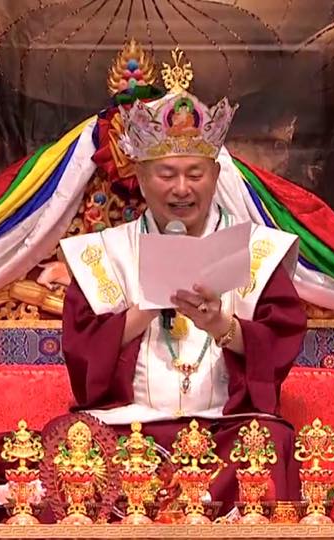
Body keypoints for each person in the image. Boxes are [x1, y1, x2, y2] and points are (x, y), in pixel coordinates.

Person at [57, 86, 306, 506]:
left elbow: (280, 342)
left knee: (269, 440)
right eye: (167, 174)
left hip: (224, 429)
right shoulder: (105, 254)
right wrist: (141, 312)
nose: (181, 189)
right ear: (140, 177)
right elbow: (81, 352)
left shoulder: (257, 250)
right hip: (129, 430)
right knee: (69, 442)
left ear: (215, 175)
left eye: (195, 174)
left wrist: (222, 326)